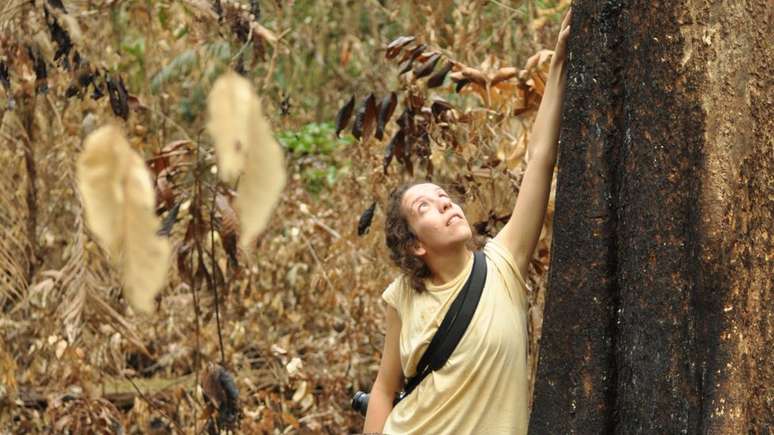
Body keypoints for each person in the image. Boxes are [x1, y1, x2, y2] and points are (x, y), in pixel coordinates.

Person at [362, 9, 571, 435]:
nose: (444, 203)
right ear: (415, 245)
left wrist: (559, 67)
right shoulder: (404, 296)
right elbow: (384, 389)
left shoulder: (504, 265)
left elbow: (539, 160)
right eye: (425, 207)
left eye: (443, 196)